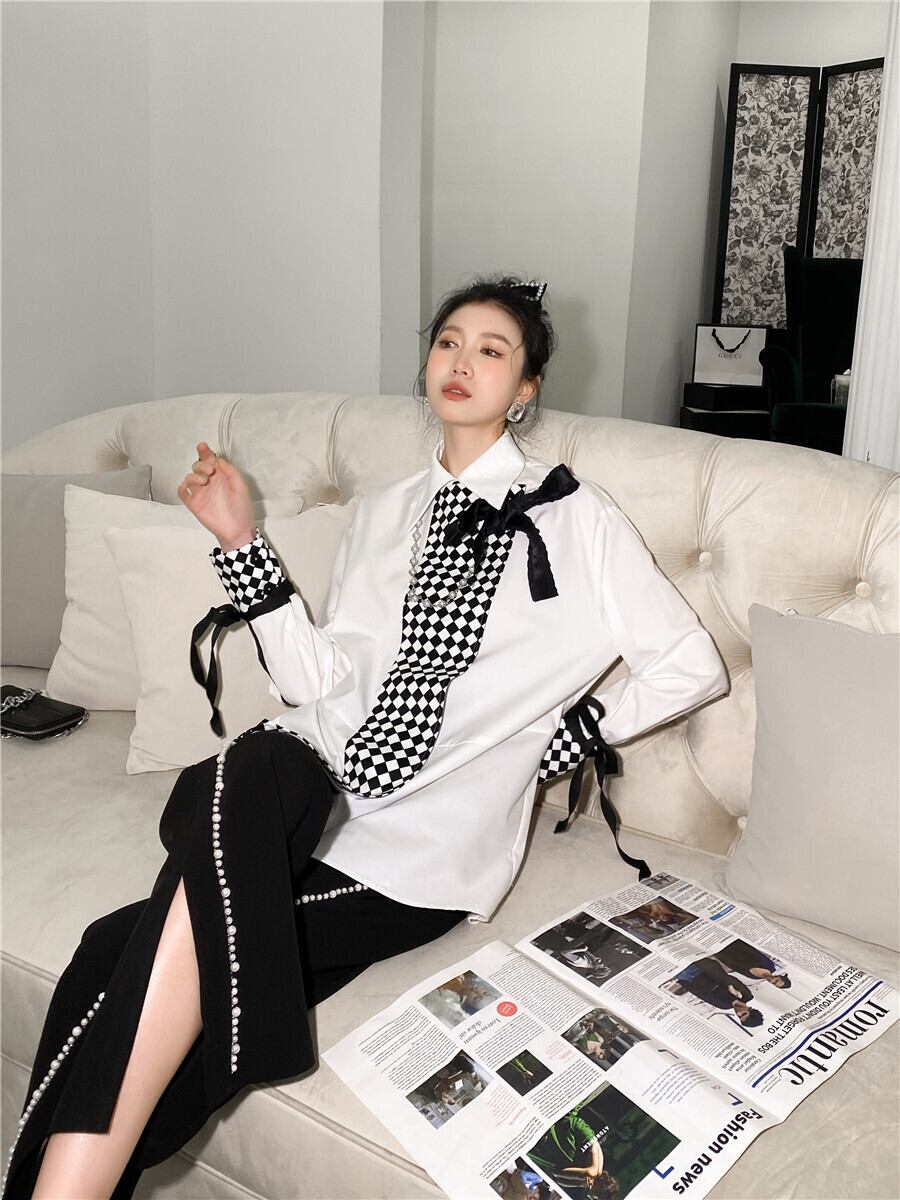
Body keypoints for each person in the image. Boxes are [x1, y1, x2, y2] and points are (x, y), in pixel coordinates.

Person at [1, 273, 729, 1200]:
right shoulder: (385, 512)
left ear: (526, 387)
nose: (461, 361)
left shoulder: (574, 515)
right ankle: (234, 1041)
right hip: (308, 793)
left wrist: (558, 741)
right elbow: (318, 682)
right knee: (255, 762)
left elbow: (689, 663)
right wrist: (240, 542)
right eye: (448, 342)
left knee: (114, 953)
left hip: (418, 857)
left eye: (491, 350)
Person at [667, 958, 765, 1027]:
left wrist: (682, 982)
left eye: (739, 1017)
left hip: (688, 979)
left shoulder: (724, 1006)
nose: (738, 1013)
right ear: (750, 1010)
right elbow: (729, 978)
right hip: (700, 969)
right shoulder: (746, 995)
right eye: (744, 1014)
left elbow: (702, 995)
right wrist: (730, 986)